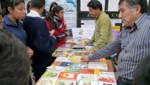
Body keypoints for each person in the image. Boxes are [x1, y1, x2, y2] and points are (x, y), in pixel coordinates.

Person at [81, 0, 149, 85]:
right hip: (122, 78)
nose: (120, 16)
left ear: (137, 9)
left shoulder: (148, 27)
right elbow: (112, 47)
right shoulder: (127, 28)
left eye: (122, 11)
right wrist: (91, 57)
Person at [23, 0, 56, 81]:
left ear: (30, 6)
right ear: (43, 7)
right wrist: (52, 39)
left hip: (33, 57)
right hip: (41, 60)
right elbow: (44, 46)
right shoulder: (39, 22)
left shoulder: (26, 19)